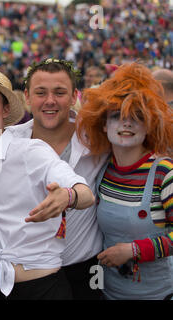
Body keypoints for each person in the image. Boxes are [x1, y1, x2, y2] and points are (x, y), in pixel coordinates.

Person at [0, 67, 95, 299]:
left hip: (43, 289)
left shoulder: (30, 150)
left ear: (5, 109)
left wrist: (69, 196)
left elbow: (85, 193)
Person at [5, 58, 108, 299]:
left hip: (85, 272)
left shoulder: (98, 138)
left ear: (74, 96)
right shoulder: (8, 142)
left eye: (59, 92)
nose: (50, 101)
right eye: (41, 93)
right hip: (31, 277)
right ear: (27, 97)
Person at [76, 62, 173, 300]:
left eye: (136, 116)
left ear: (149, 124)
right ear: (104, 124)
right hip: (108, 293)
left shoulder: (164, 172)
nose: (126, 123)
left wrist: (134, 250)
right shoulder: (102, 170)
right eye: (117, 116)